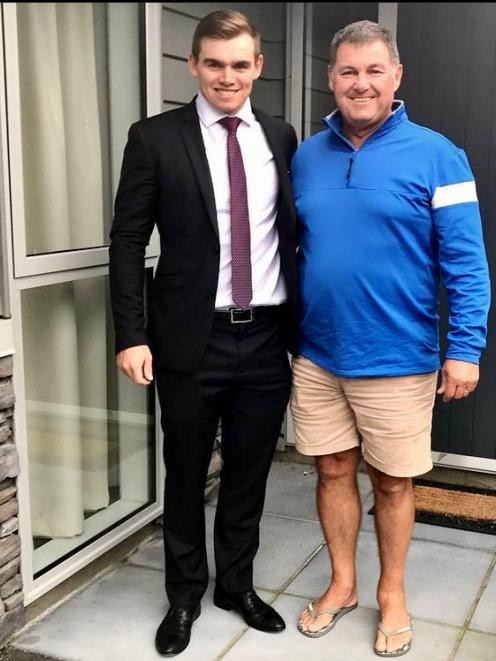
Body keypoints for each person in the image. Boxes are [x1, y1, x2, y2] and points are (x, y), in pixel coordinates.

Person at [290, 20, 490, 658]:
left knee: (394, 483)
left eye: (374, 70)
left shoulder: (438, 154)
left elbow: (466, 262)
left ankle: (393, 593)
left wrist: (464, 348)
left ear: (396, 77)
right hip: (317, 353)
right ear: (331, 78)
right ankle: (344, 583)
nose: (361, 83)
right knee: (330, 469)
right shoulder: (306, 156)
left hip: (397, 356)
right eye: (348, 71)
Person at [109, 9, 298, 657]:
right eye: (214, 63)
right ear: (192, 64)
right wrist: (131, 334)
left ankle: (235, 585)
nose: (227, 76)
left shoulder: (281, 136)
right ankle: (185, 593)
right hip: (191, 339)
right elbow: (129, 240)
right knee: (186, 472)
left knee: (249, 473)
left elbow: (290, 233)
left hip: (268, 336)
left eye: (240, 63)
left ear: (258, 67)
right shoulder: (155, 137)